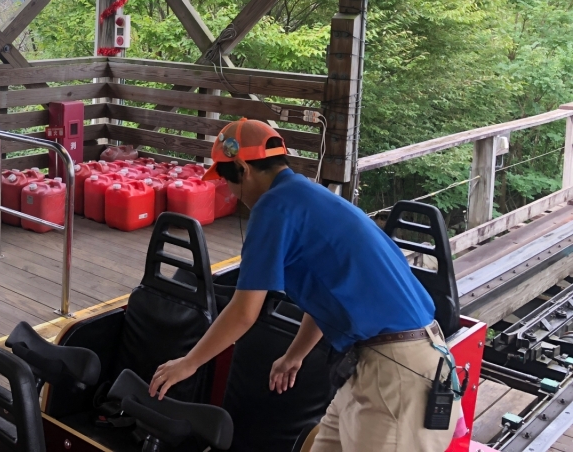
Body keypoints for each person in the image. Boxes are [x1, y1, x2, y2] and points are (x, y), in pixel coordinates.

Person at [148, 118, 462, 452]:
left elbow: (244, 312)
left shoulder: (273, 206)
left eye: (230, 183)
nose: (234, 195)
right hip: (381, 362)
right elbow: (327, 293)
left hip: (397, 375)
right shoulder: (308, 197)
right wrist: (294, 355)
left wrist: (188, 363)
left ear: (243, 168)